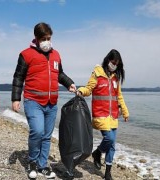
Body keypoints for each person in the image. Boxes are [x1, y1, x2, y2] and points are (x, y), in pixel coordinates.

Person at [11, 22, 76, 179]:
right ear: (36, 38)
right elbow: (18, 76)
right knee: (37, 132)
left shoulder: (56, 55)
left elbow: (59, 74)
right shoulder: (26, 54)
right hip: (33, 101)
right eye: (44, 38)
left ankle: (42, 165)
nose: (47, 41)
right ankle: (32, 162)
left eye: (49, 38)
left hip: (52, 103)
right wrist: (15, 98)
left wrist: (69, 84)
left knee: (47, 135)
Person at [77, 49, 129, 180]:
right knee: (109, 139)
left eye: (117, 63)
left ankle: (107, 173)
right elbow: (89, 89)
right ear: (107, 60)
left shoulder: (116, 77)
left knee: (112, 146)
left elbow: (119, 96)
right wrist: (81, 91)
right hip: (101, 114)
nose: (114, 65)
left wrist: (125, 111)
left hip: (113, 116)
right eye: (113, 62)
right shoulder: (97, 73)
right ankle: (98, 152)